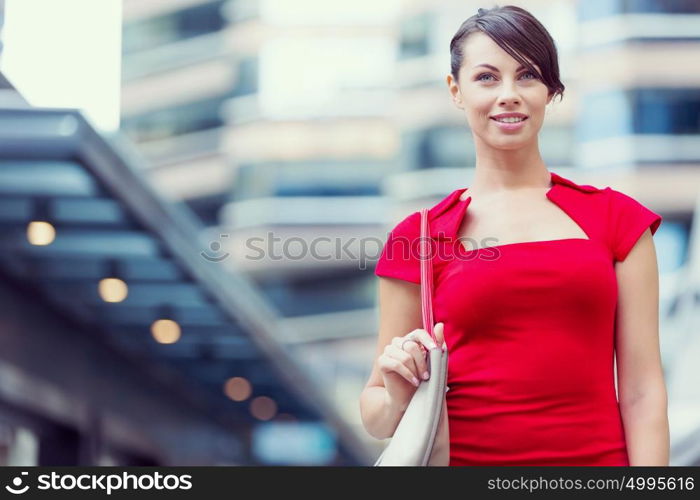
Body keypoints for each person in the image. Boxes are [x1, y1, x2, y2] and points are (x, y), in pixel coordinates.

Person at [359, 5, 670, 466]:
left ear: (550, 91)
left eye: (527, 76)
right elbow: (377, 415)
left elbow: (643, 391)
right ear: (456, 91)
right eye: (487, 77)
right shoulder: (419, 236)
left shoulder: (616, 220)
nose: (509, 94)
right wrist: (398, 388)